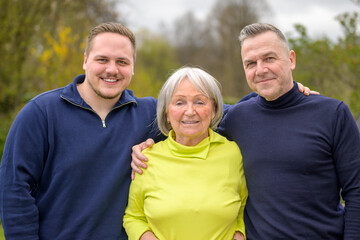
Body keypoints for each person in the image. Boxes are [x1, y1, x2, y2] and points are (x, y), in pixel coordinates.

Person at [131, 23, 360, 240]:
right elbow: (191, 127)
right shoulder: (238, 119)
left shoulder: (332, 114)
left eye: (269, 58)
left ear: (291, 59)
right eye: (251, 63)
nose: (261, 69)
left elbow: (356, 190)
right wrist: (148, 144)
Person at [0, 22, 161, 239]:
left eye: (122, 62)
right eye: (102, 59)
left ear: (133, 67)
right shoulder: (41, 113)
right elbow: (14, 191)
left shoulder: (150, 114)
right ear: (85, 61)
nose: (111, 69)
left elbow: (206, 114)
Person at [123, 67, 248, 240]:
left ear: (213, 110)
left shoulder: (233, 153)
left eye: (199, 102)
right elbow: (133, 217)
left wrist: (239, 233)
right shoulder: (146, 158)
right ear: (167, 113)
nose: (190, 111)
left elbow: (244, 208)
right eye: (179, 102)